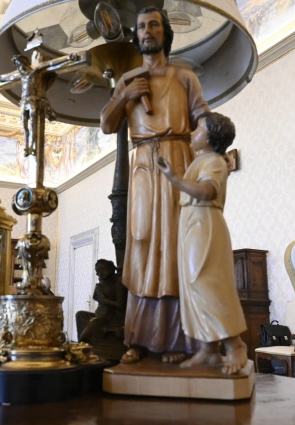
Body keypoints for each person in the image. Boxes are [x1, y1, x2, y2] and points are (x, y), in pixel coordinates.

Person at [100, 6, 210, 364]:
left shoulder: (184, 76)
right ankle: (138, 338)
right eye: (142, 27)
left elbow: (203, 119)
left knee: (176, 246)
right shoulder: (128, 79)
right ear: (136, 35)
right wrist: (125, 96)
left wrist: (211, 160)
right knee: (142, 244)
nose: (147, 31)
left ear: (165, 33)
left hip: (179, 159)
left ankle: (180, 340)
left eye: (154, 25)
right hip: (143, 165)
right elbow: (106, 124)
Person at [157, 112, 247, 374]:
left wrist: (175, 179)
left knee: (206, 283)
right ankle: (208, 349)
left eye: (198, 130)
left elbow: (207, 192)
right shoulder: (202, 160)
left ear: (211, 138)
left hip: (205, 224)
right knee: (191, 285)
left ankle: (235, 345)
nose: (192, 133)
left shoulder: (215, 161)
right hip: (192, 224)